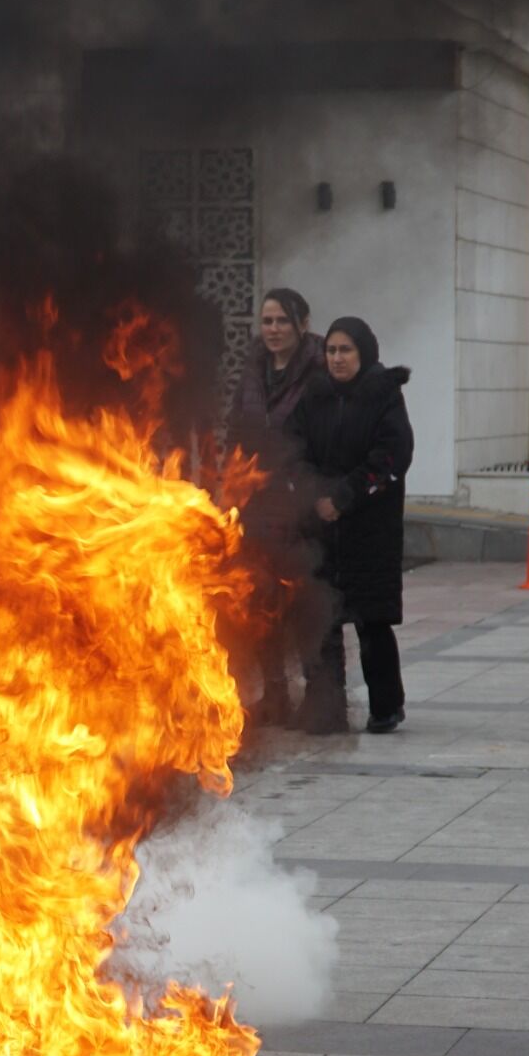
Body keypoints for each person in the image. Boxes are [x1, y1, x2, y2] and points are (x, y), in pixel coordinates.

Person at [287, 316, 413, 737]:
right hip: (320, 526)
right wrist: (314, 495)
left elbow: (393, 454)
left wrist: (344, 498)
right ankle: (326, 706)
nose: (337, 359)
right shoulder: (315, 395)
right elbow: (293, 448)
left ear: (364, 353)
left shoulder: (384, 394)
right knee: (322, 618)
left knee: (370, 619)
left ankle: (386, 706)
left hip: (368, 525)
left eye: (346, 351)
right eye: (332, 351)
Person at [225, 288, 321, 728]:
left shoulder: (317, 371)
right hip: (257, 503)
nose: (274, 330)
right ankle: (275, 692)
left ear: (301, 324)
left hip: (299, 503)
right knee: (259, 597)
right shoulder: (253, 372)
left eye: (282, 321)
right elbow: (236, 431)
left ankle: (317, 694)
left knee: (301, 601)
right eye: (267, 322)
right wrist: (229, 485)